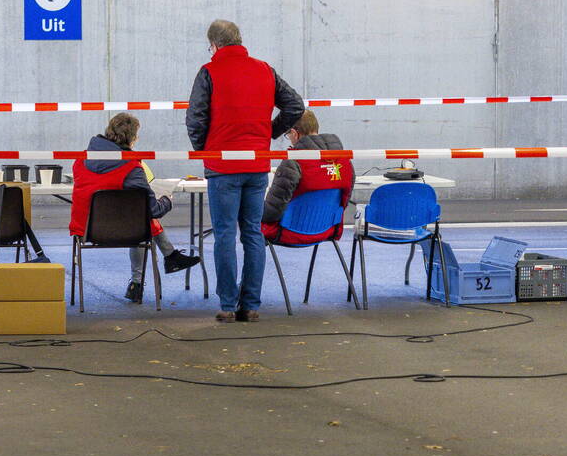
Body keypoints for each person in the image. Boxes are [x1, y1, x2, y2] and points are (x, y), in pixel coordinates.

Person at [185, 20, 304, 322]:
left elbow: (195, 117)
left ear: (213, 45)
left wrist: (205, 150)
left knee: (225, 234)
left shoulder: (209, 72)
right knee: (252, 233)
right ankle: (250, 305)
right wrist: (268, 134)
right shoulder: (264, 69)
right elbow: (295, 106)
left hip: (222, 166)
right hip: (256, 165)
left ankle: (227, 304)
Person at [69, 113, 201, 303]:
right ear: (132, 138)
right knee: (141, 216)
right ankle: (161, 264)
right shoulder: (131, 167)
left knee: (137, 213)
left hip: (86, 231)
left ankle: (143, 279)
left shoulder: (80, 160)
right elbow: (154, 210)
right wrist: (167, 200)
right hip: (127, 230)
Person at [261, 110, 354, 245]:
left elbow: (271, 212)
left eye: (288, 135)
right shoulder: (345, 162)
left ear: (294, 133)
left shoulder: (293, 162)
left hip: (288, 233)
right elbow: (344, 200)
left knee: (250, 219)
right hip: (328, 230)